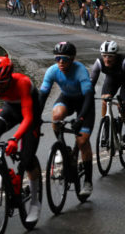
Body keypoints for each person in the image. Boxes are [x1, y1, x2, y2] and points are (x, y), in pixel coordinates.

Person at [0, 56, 42, 223]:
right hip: (10, 108)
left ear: (10, 77)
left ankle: (34, 202)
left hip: (30, 112)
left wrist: (14, 139)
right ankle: (1, 169)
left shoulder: (23, 83)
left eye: (2, 82)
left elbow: (27, 118)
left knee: (28, 159)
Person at [38, 42, 95, 197]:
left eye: (64, 59)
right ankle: (63, 148)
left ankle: (88, 181)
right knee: (56, 116)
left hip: (84, 102)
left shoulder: (80, 70)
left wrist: (81, 118)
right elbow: (42, 96)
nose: (61, 62)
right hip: (68, 98)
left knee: (82, 141)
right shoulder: (52, 71)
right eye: (57, 58)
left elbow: (89, 96)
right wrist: (36, 117)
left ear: (72, 59)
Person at [90, 41, 125, 151]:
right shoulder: (99, 63)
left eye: (110, 56)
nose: (107, 59)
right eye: (104, 56)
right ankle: (106, 128)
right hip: (112, 80)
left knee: (122, 109)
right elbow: (91, 84)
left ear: (115, 55)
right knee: (104, 99)